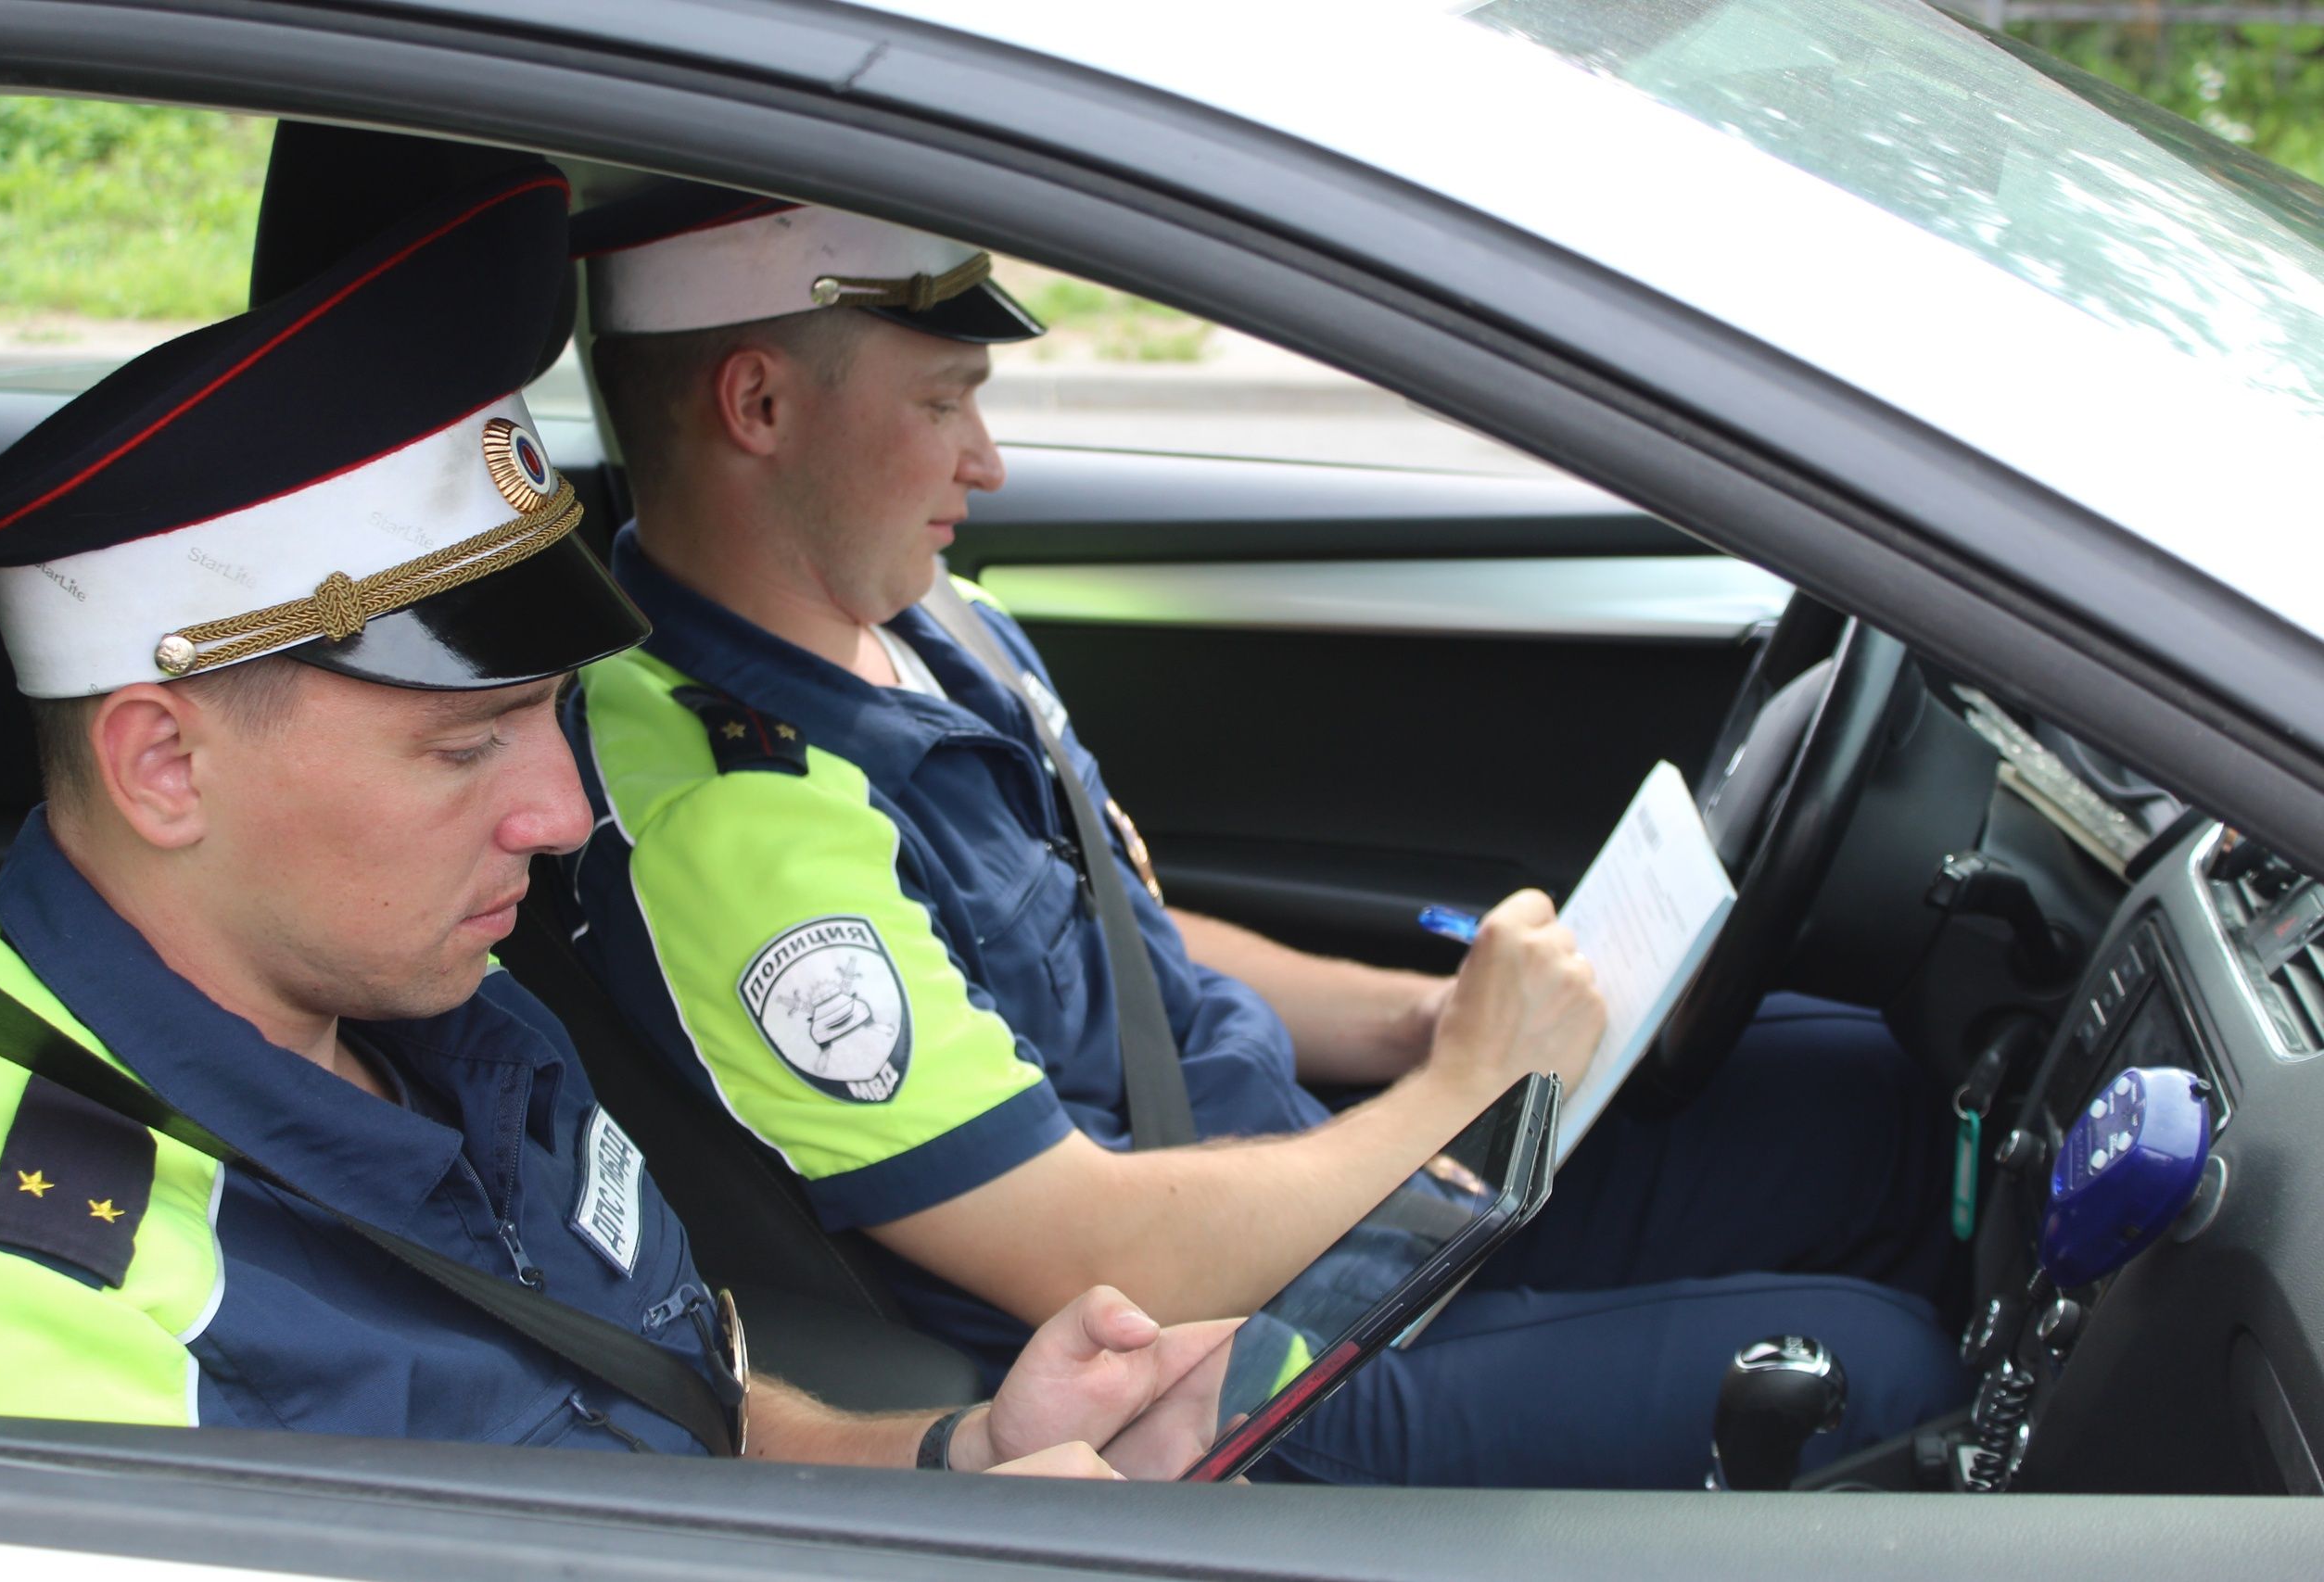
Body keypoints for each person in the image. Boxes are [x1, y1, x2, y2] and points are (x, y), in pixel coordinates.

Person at [562, 181, 1965, 1488]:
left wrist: (1424, 1021)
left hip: (1306, 1187)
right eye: (941, 404)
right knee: (1875, 1365)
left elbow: (1139, 942)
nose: (986, 461)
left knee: (1866, 1098)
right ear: (756, 403)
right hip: (1219, 1375)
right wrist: (1457, 1090)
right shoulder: (728, 822)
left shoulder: (929, 626)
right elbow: (1094, 1249)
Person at [0, 164, 1236, 1474]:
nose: (564, 815)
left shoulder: (439, 1009)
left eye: (556, 715)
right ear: (163, 766)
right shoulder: (42, 1308)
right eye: (462, 746)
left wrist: (954, 1463)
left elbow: (658, 1402)